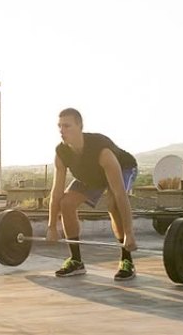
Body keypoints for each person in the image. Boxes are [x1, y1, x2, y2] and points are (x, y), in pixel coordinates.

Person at [47, 108, 139, 280]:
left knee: (112, 203)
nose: (62, 130)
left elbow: (120, 195)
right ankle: (76, 261)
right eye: (59, 126)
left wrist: (129, 233)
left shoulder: (102, 151)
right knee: (66, 203)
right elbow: (56, 192)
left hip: (123, 168)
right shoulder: (61, 153)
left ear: (80, 126)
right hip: (91, 176)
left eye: (67, 126)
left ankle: (127, 260)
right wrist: (52, 227)